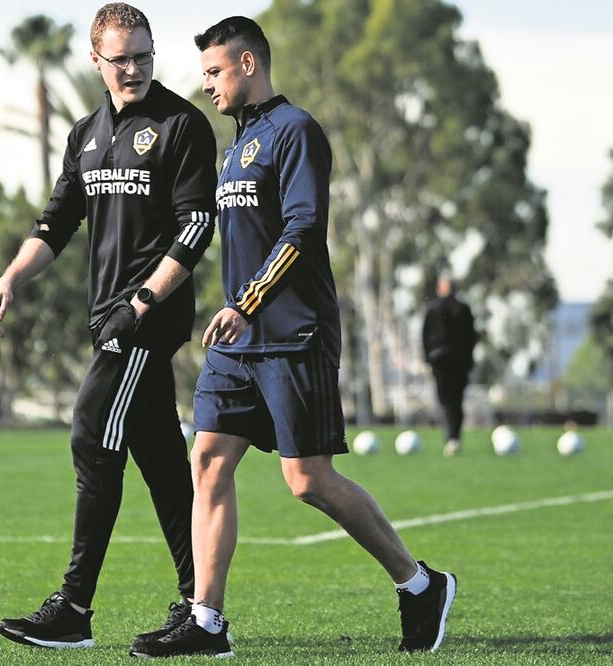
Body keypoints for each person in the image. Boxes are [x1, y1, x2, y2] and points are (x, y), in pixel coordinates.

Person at [131, 16, 457, 658]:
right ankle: (206, 622)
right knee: (207, 460)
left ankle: (420, 585)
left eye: (215, 72)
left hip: (292, 334)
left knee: (307, 480)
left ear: (248, 64)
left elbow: (303, 230)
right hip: (237, 340)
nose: (207, 85)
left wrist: (249, 302)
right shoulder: (235, 147)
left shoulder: (296, 131)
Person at [0, 2, 218, 652]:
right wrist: (9, 279)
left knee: (91, 435)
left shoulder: (181, 125)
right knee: (162, 461)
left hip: (144, 320)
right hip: (105, 318)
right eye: (121, 59)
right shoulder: (85, 133)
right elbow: (56, 222)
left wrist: (139, 304)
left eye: (144, 56)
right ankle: (200, 607)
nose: (134, 69)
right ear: (96, 60)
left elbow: (197, 226)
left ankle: (74, 608)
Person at [422, 275, 477, 456]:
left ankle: (451, 437)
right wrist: (469, 360)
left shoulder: (432, 308)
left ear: (439, 289)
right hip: (459, 361)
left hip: (440, 361)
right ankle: (454, 437)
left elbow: (424, 336)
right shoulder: (463, 309)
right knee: (456, 400)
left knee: (445, 399)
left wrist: (427, 358)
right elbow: (472, 337)